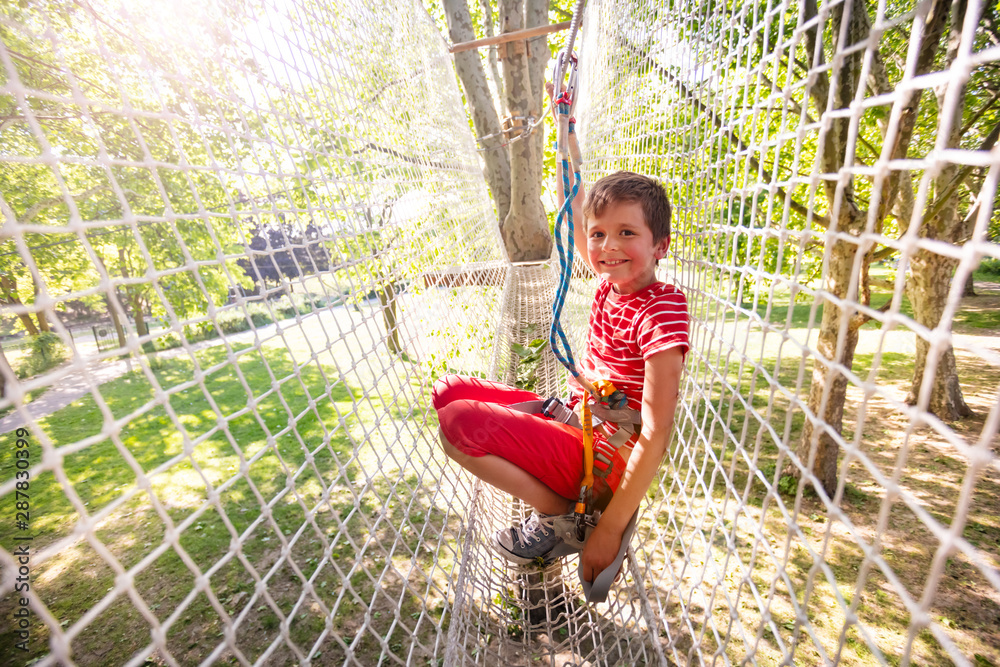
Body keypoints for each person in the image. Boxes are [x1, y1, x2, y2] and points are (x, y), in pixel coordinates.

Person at [432, 170, 688, 584]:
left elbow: (656, 434)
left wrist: (609, 530)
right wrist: (565, 131)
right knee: (447, 393)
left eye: (626, 232)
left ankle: (562, 517)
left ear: (661, 246)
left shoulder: (660, 312)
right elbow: (573, 214)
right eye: (600, 235)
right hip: (578, 421)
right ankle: (562, 502)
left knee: (457, 426)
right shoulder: (611, 281)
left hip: (605, 459)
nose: (608, 247)